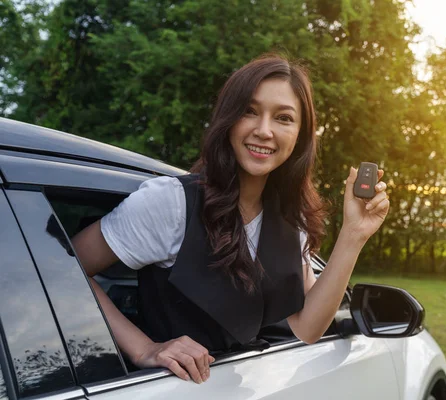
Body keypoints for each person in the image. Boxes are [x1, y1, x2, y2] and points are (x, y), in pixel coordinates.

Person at [71, 54, 390, 385]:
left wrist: (354, 235)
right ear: (228, 119)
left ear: (301, 134)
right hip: (158, 390)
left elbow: (308, 327)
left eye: (283, 118)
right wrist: (144, 348)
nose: (263, 131)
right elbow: (64, 266)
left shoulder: (289, 222)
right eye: (249, 111)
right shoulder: (171, 202)